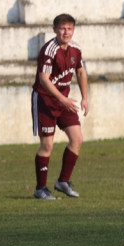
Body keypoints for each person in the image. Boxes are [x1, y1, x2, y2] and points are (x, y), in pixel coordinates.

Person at [31, 13, 89, 200]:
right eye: (63, 28)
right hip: (45, 101)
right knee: (47, 145)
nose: (66, 32)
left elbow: (80, 72)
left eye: (70, 28)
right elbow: (44, 80)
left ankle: (63, 181)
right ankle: (40, 188)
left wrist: (84, 98)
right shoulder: (49, 50)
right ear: (55, 29)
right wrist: (62, 100)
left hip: (64, 100)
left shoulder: (75, 49)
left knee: (77, 138)